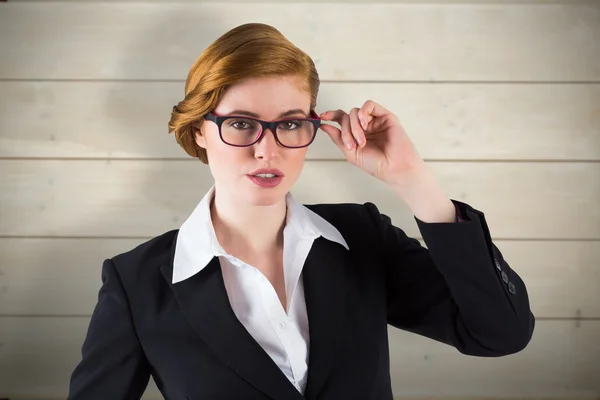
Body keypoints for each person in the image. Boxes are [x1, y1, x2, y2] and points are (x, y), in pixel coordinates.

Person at [67, 23, 535, 400]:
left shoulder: (361, 237)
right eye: (241, 124)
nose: (266, 150)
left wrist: (412, 177)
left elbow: (500, 333)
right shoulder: (137, 283)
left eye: (290, 123)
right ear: (199, 132)